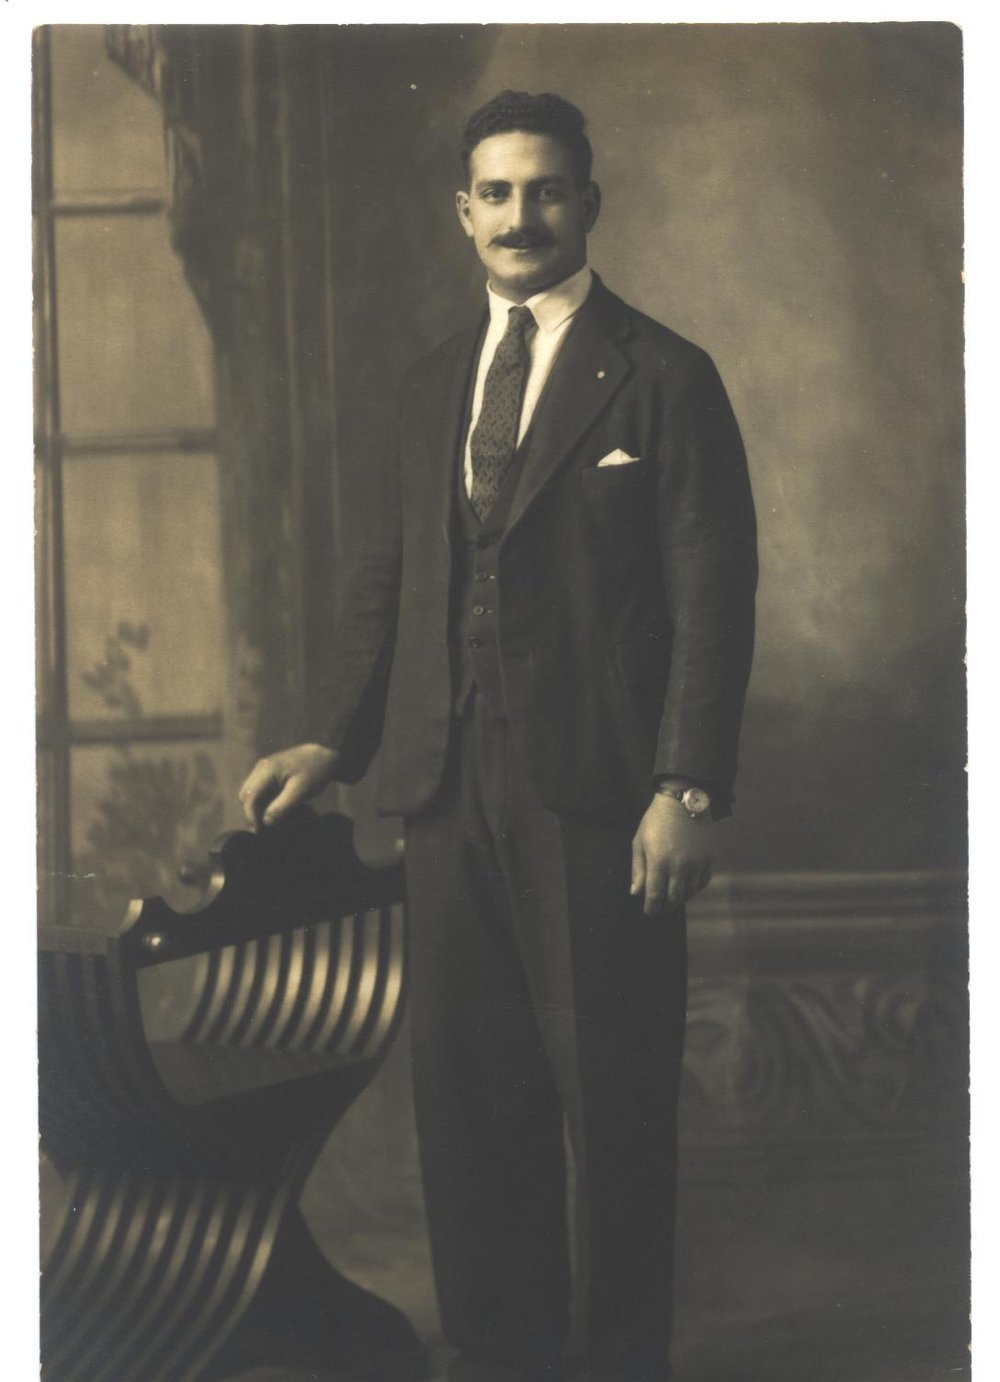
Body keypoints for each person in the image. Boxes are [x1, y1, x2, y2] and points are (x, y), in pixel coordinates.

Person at [240, 90, 757, 1382]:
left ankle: (623, 1360)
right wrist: (331, 742)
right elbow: (387, 585)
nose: (521, 216)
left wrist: (686, 786)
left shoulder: (666, 374)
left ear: (588, 203)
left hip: (599, 793)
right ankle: (502, 1354)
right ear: (463, 213)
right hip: (442, 782)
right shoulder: (431, 385)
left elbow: (713, 593)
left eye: (546, 190)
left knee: (613, 1097)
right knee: (473, 1101)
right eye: (497, 193)